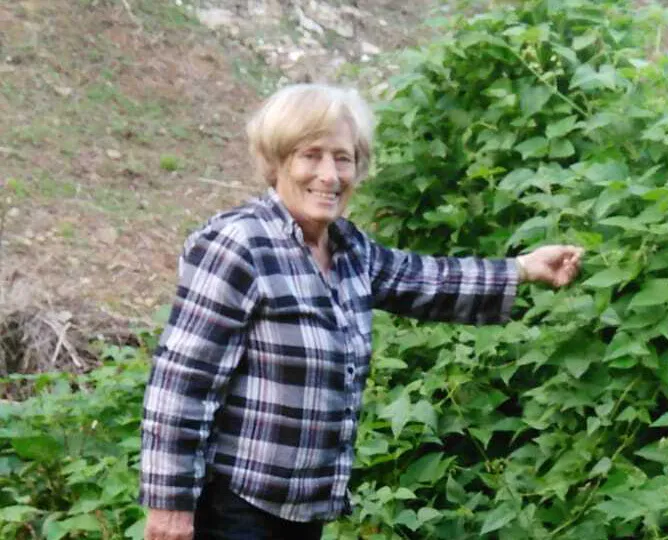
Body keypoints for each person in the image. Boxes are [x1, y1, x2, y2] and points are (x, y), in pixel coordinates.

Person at [140, 83, 583, 540]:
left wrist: (523, 268)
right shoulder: (240, 246)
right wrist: (169, 504)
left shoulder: (349, 249)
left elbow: (426, 281)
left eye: (343, 157)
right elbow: (182, 382)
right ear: (276, 162)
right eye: (311, 155)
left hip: (303, 510)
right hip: (235, 507)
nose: (330, 175)